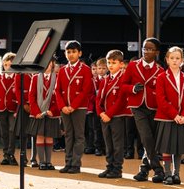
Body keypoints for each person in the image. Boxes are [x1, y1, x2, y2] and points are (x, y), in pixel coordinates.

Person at [123, 38, 165, 183]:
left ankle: (143, 169)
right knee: (146, 137)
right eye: (145, 48)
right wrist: (132, 88)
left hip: (153, 106)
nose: (146, 51)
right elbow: (123, 85)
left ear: (157, 52)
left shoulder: (160, 70)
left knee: (150, 140)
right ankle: (158, 169)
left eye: (150, 49)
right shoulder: (133, 65)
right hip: (137, 106)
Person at [154, 46, 184, 185]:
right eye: (172, 58)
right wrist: (174, 114)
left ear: (182, 61)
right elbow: (161, 99)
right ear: (167, 60)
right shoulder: (161, 77)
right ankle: (167, 174)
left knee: (178, 147)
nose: (175, 61)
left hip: (182, 119)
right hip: (167, 117)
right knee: (167, 147)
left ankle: (176, 174)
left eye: (178, 58)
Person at [56, 40, 93, 174]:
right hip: (65, 108)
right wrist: (63, 106)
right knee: (68, 135)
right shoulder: (62, 70)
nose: (71, 54)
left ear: (80, 53)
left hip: (79, 107)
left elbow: (86, 90)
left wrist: (73, 105)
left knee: (78, 135)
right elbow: (57, 90)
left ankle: (76, 164)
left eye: (73, 52)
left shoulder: (85, 69)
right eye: (68, 52)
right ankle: (68, 162)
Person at [96, 49, 130, 179]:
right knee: (108, 143)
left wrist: (109, 113)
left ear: (121, 64)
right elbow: (98, 98)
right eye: (109, 62)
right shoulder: (105, 79)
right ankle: (109, 166)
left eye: (114, 62)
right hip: (104, 116)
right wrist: (101, 113)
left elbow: (121, 100)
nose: (110, 65)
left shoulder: (124, 79)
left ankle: (117, 169)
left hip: (117, 116)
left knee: (117, 144)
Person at [27, 56, 63, 171]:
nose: (47, 66)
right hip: (38, 114)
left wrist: (53, 110)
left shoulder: (57, 78)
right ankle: (42, 162)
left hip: (52, 112)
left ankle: (48, 162)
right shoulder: (35, 77)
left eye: (49, 63)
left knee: (49, 137)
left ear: (53, 64)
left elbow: (58, 96)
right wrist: (37, 112)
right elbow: (31, 96)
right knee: (40, 136)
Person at [0, 52, 21, 166]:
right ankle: (6, 155)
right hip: (1, 109)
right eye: (6, 65)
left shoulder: (18, 78)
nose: (8, 67)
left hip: (13, 109)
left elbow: (20, 95)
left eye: (11, 65)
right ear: (3, 65)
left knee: (12, 131)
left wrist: (17, 111)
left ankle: (11, 154)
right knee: (3, 133)